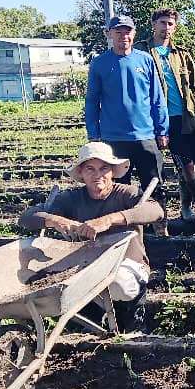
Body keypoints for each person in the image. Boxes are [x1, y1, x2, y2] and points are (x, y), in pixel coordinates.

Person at [18, 142, 164, 331]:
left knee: (117, 284)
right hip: (84, 267)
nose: (98, 175)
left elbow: (155, 211)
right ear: (81, 173)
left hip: (126, 266)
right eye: (90, 169)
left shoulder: (127, 193)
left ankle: (131, 319)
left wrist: (110, 220)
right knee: (54, 285)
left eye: (104, 168)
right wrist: (55, 220)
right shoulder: (71, 198)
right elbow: (26, 218)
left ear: (112, 171)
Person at [135, 7, 195, 223]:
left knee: (187, 162)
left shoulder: (181, 54)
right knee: (186, 164)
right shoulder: (141, 52)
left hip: (185, 117)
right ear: (154, 24)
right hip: (158, 119)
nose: (166, 28)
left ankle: (185, 209)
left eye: (170, 24)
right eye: (162, 23)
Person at [84, 15, 169, 235]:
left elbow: (156, 98)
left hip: (145, 135)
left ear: (134, 33)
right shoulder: (100, 63)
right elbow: (92, 101)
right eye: (119, 32)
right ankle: (124, 229)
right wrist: (94, 134)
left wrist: (162, 130)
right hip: (113, 138)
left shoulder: (145, 60)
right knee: (119, 188)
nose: (124, 37)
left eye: (128, 32)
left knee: (154, 183)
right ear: (109, 34)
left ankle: (160, 226)